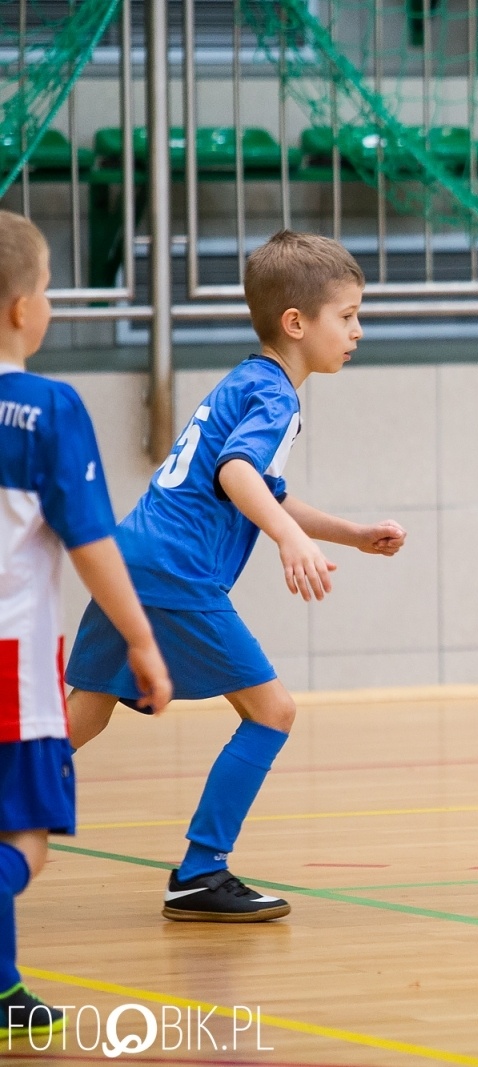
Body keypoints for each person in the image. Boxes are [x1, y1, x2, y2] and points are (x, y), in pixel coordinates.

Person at [65, 231, 406, 923]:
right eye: (347, 316)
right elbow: (237, 474)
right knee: (272, 710)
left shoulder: (246, 379)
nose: (357, 330)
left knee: (84, 714)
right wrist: (288, 543)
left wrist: (350, 535)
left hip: (134, 552)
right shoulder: (275, 396)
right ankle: (201, 869)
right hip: (177, 569)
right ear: (297, 323)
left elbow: (263, 489)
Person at [0, 210, 171, 1036]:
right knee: (22, 839)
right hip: (13, 670)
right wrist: (140, 639)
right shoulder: (46, 409)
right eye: (48, 293)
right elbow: (92, 539)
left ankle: (3, 991)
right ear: (21, 311)